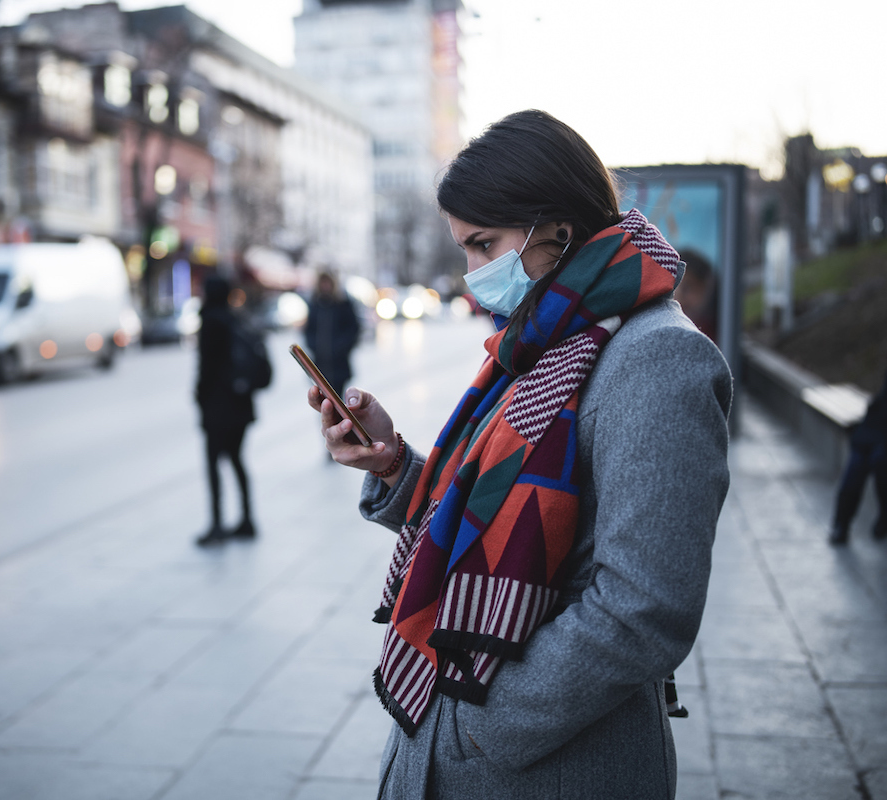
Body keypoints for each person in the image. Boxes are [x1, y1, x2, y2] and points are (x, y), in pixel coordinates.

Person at [305, 110, 732, 798]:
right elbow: (491, 512)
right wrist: (392, 463)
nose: (473, 273)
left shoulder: (657, 358)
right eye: (464, 250)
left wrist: (484, 721)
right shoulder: (544, 339)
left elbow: (646, 607)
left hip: (550, 765)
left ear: (557, 232)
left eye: (483, 245)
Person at [195, 275, 256, 546]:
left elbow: (206, 368)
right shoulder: (237, 318)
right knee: (236, 459)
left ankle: (217, 524)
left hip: (218, 406)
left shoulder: (210, 320)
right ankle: (247, 519)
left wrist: (199, 397)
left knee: (213, 463)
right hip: (241, 403)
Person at [829, 369, 887, 544]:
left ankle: (884, 517)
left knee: (880, 461)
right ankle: (841, 525)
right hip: (871, 431)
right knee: (855, 470)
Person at [304, 271, 362, 408]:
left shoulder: (343, 304)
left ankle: (340, 428)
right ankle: (327, 428)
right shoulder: (314, 305)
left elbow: (353, 330)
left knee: (338, 402)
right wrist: (315, 347)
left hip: (339, 364)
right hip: (320, 364)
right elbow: (308, 331)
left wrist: (340, 347)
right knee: (323, 404)